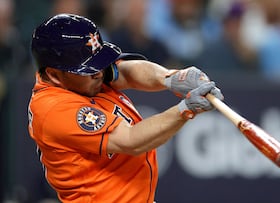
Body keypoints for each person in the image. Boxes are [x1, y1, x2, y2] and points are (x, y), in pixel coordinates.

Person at [27, 14, 223, 203]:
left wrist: (171, 78)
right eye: (89, 69)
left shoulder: (80, 78)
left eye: (98, 64)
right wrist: (186, 108)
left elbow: (126, 72)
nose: (99, 73)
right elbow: (132, 140)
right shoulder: (53, 109)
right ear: (53, 74)